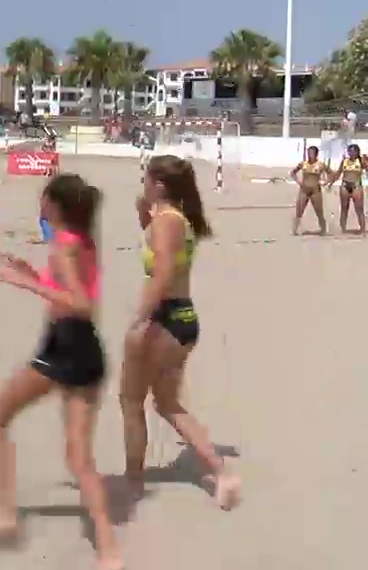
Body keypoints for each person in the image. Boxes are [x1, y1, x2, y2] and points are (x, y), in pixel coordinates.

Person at [0, 174, 121, 570]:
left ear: (54, 205)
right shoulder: (81, 241)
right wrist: (35, 274)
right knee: (79, 460)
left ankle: (5, 514)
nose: (37, 203)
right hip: (85, 350)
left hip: (64, 349)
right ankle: (108, 551)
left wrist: (26, 284)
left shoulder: (64, 246)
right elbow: (77, 294)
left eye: (42, 198)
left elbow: (79, 304)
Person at [122, 155, 240, 511]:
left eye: (147, 178)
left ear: (159, 184)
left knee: (130, 401)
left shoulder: (167, 223)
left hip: (163, 319)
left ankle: (132, 482)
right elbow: (157, 242)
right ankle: (221, 474)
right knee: (167, 404)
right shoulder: (174, 219)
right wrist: (143, 211)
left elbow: (160, 275)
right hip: (182, 318)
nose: (142, 182)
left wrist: (139, 320)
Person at [326, 143, 365, 234]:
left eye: (353, 151)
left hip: (356, 186)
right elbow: (338, 173)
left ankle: (362, 229)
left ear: (357, 152)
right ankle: (342, 228)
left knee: (359, 209)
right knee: (344, 209)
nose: (351, 153)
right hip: (345, 185)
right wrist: (330, 183)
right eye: (349, 151)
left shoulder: (361, 161)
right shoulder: (344, 161)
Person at [289, 145, 328, 235]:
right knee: (299, 210)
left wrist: (326, 182)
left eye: (311, 153)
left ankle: (323, 229)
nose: (309, 155)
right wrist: (298, 182)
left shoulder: (320, 165)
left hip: (315, 190)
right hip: (304, 189)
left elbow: (331, 174)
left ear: (316, 154)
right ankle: (294, 230)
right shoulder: (303, 164)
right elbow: (293, 172)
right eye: (308, 153)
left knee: (319, 211)